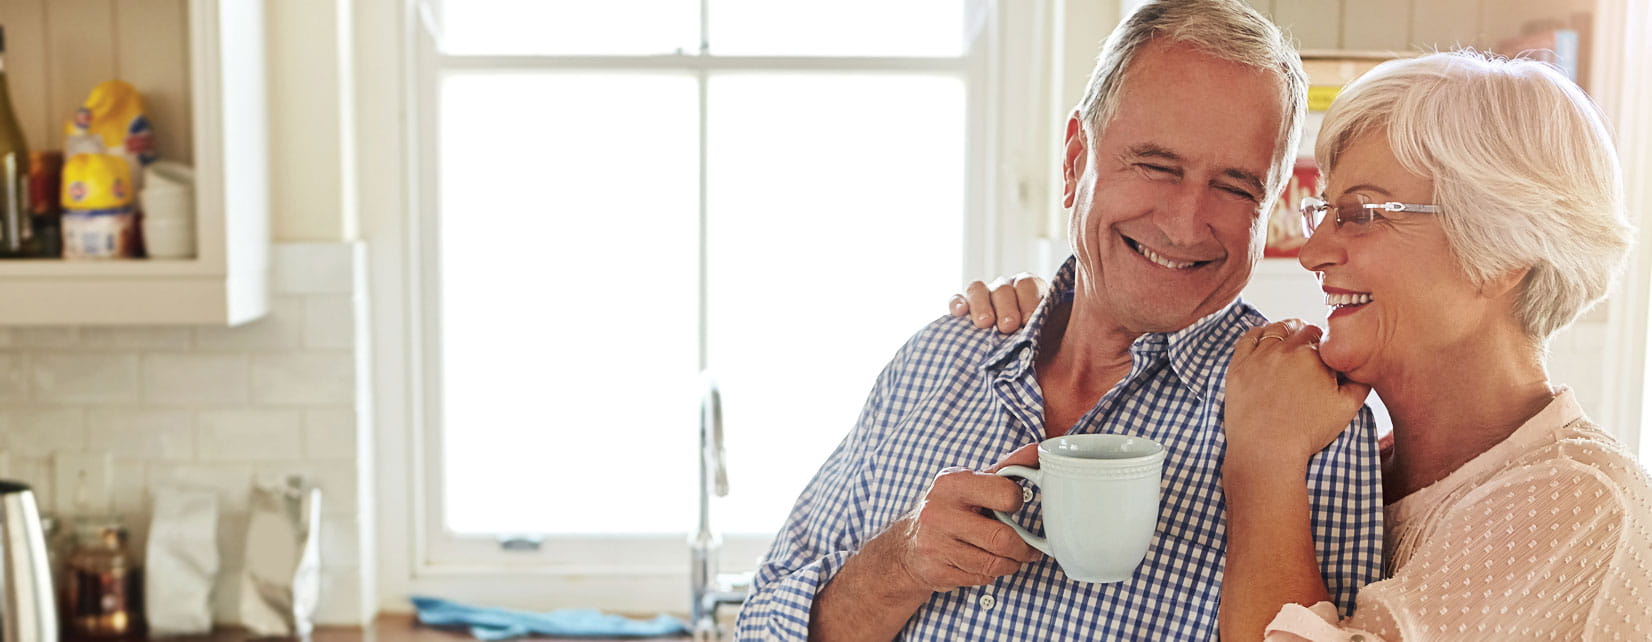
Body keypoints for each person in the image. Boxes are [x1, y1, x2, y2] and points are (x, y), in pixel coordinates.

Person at [733, 1, 1387, 640]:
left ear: (1269, 203)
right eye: (1156, 166)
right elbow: (759, 625)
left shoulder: (1312, 428)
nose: (1187, 224)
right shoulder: (937, 359)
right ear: (1076, 161)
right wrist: (898, 566)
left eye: (1237, 186)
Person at [958, 50, 1652, 640]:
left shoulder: (1581, 502)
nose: (1315, 250)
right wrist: (1058, 306)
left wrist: (1262, 461)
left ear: (1503, 252)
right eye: (1324, 210)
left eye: (1360, 215)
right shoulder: (1363, 471)